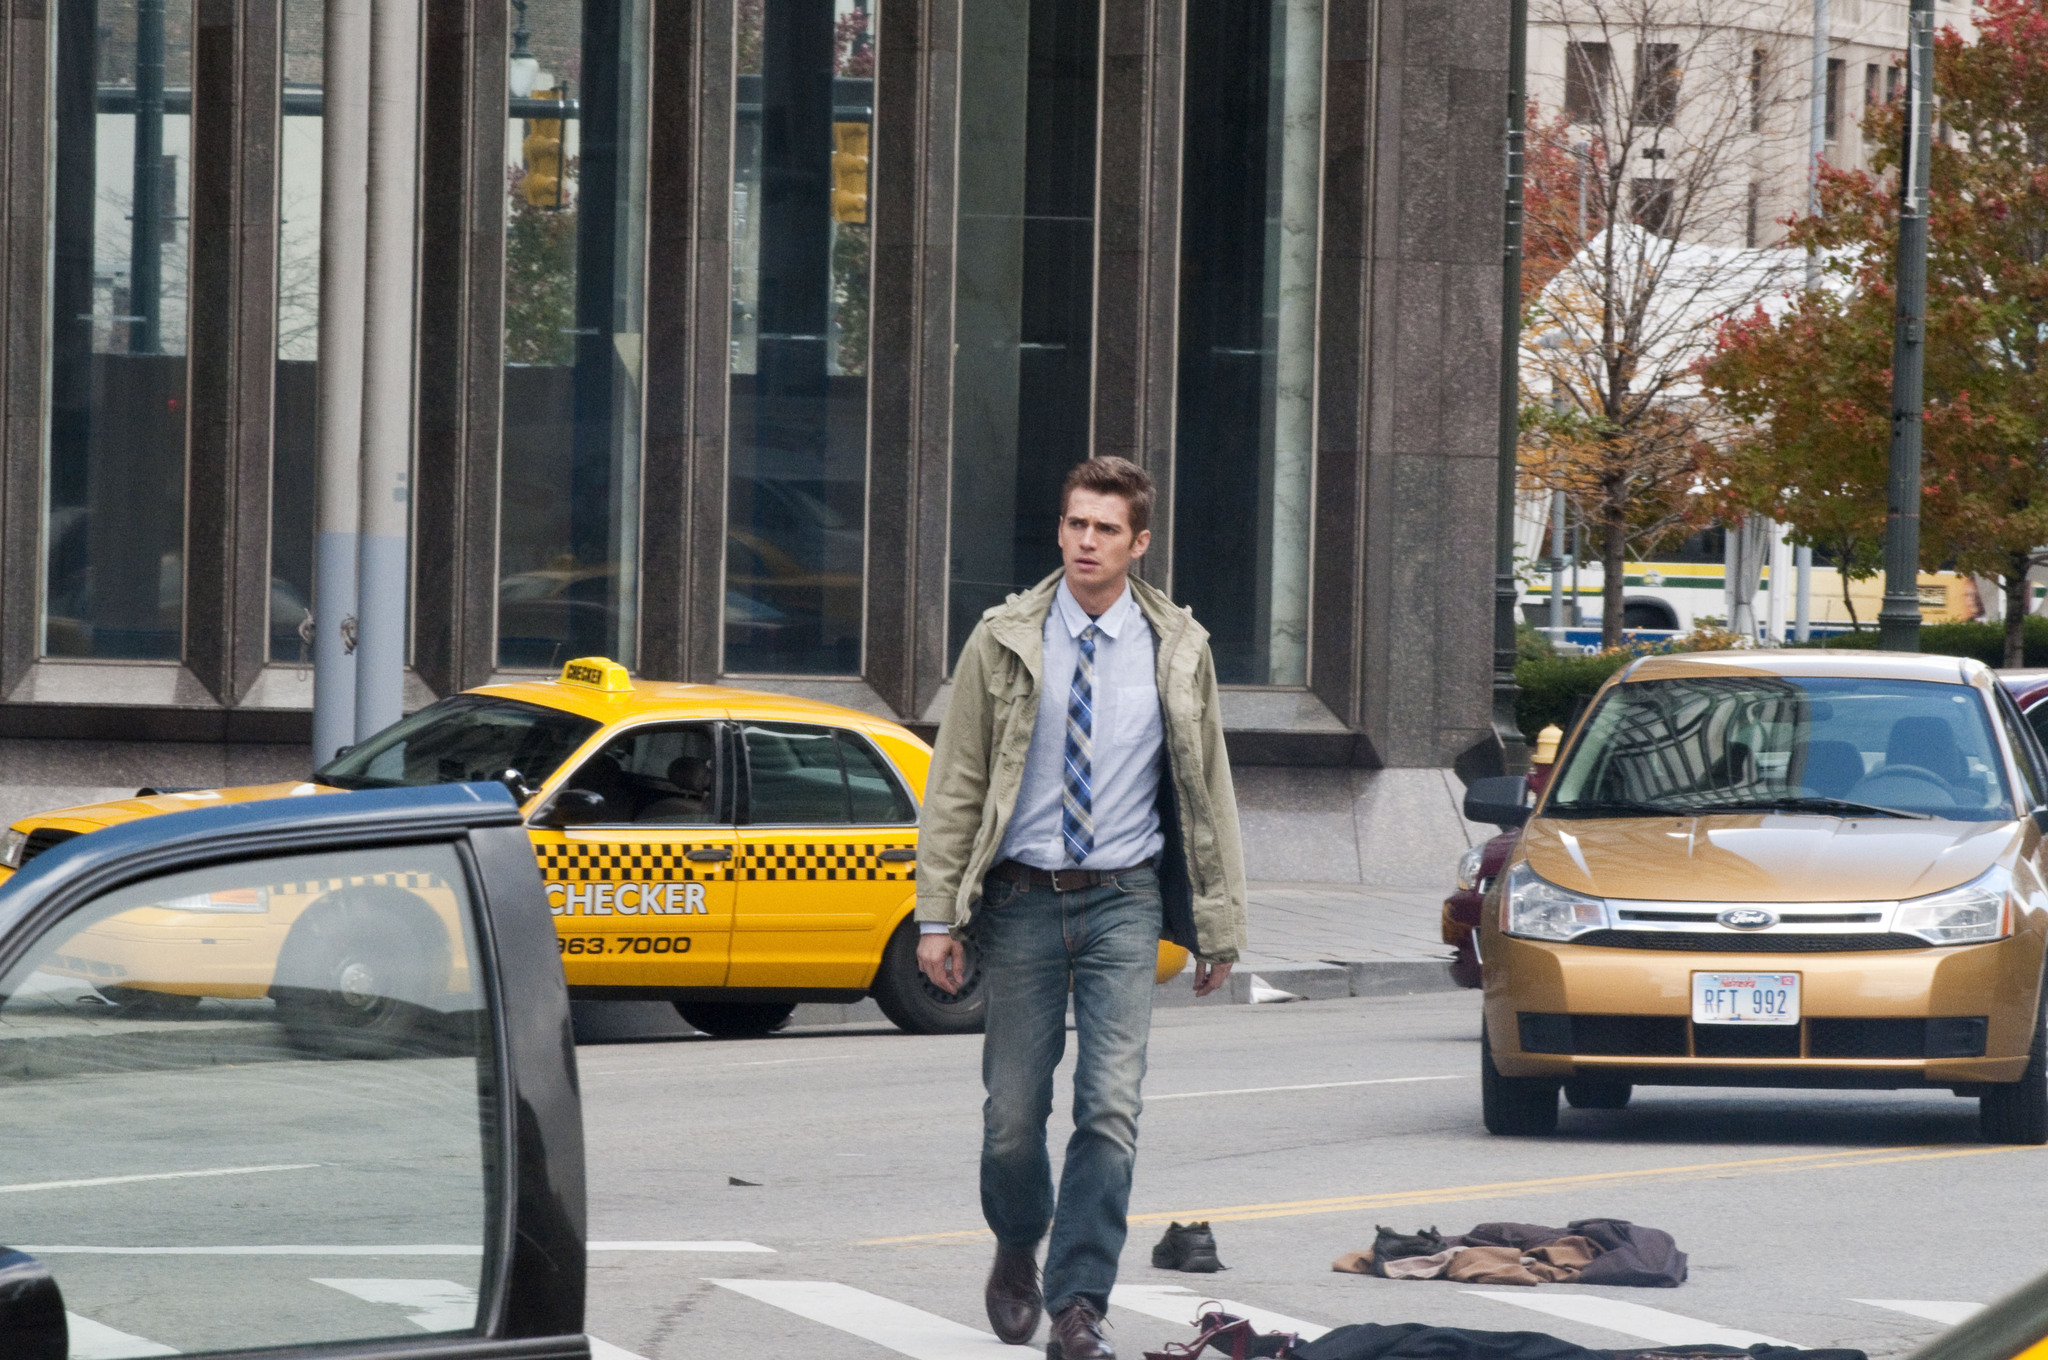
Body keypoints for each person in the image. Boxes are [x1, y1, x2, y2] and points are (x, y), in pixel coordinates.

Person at [915, 456, 1248, 1360]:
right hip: (1021, 900)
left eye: (1106, 529)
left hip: (1122, 901)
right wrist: (937, 914)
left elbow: (1207, 788)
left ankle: (1079, 1303)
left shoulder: (1179, 648)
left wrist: (1218, 922)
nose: (1086, 542)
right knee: (1012, 1117)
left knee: (1109, 1107)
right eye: (1075, 525)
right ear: (1059, 531)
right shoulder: (1004, 638)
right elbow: (957, 783)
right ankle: (1018, 1238)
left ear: (1138, 544)